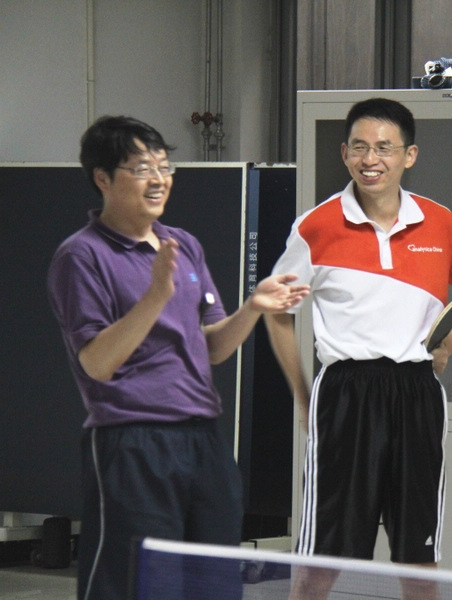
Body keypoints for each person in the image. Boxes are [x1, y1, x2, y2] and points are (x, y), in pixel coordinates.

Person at [47, 116, 308, 600]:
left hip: (203, 438)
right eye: (141, 168)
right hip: (132, 440)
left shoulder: (182, 244)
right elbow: (97, 363)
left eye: (164, 166)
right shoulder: (81, 256)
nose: (158, 179)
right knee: (139, 583)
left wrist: (254, 306)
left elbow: (213, 348)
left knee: (213, 581)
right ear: (103, 178)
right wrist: (154, 297)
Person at [265, 97, 452, 599]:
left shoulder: (440, 223)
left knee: (419, 558)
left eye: (384, 148)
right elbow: (276, 311)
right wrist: (304, 397)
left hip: (417, 390)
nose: (370, 159)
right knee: (323, 556)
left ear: (409, 156)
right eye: (359, 147)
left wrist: (448, 341)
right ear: (344, 153)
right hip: (345, 392)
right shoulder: (315, 226)